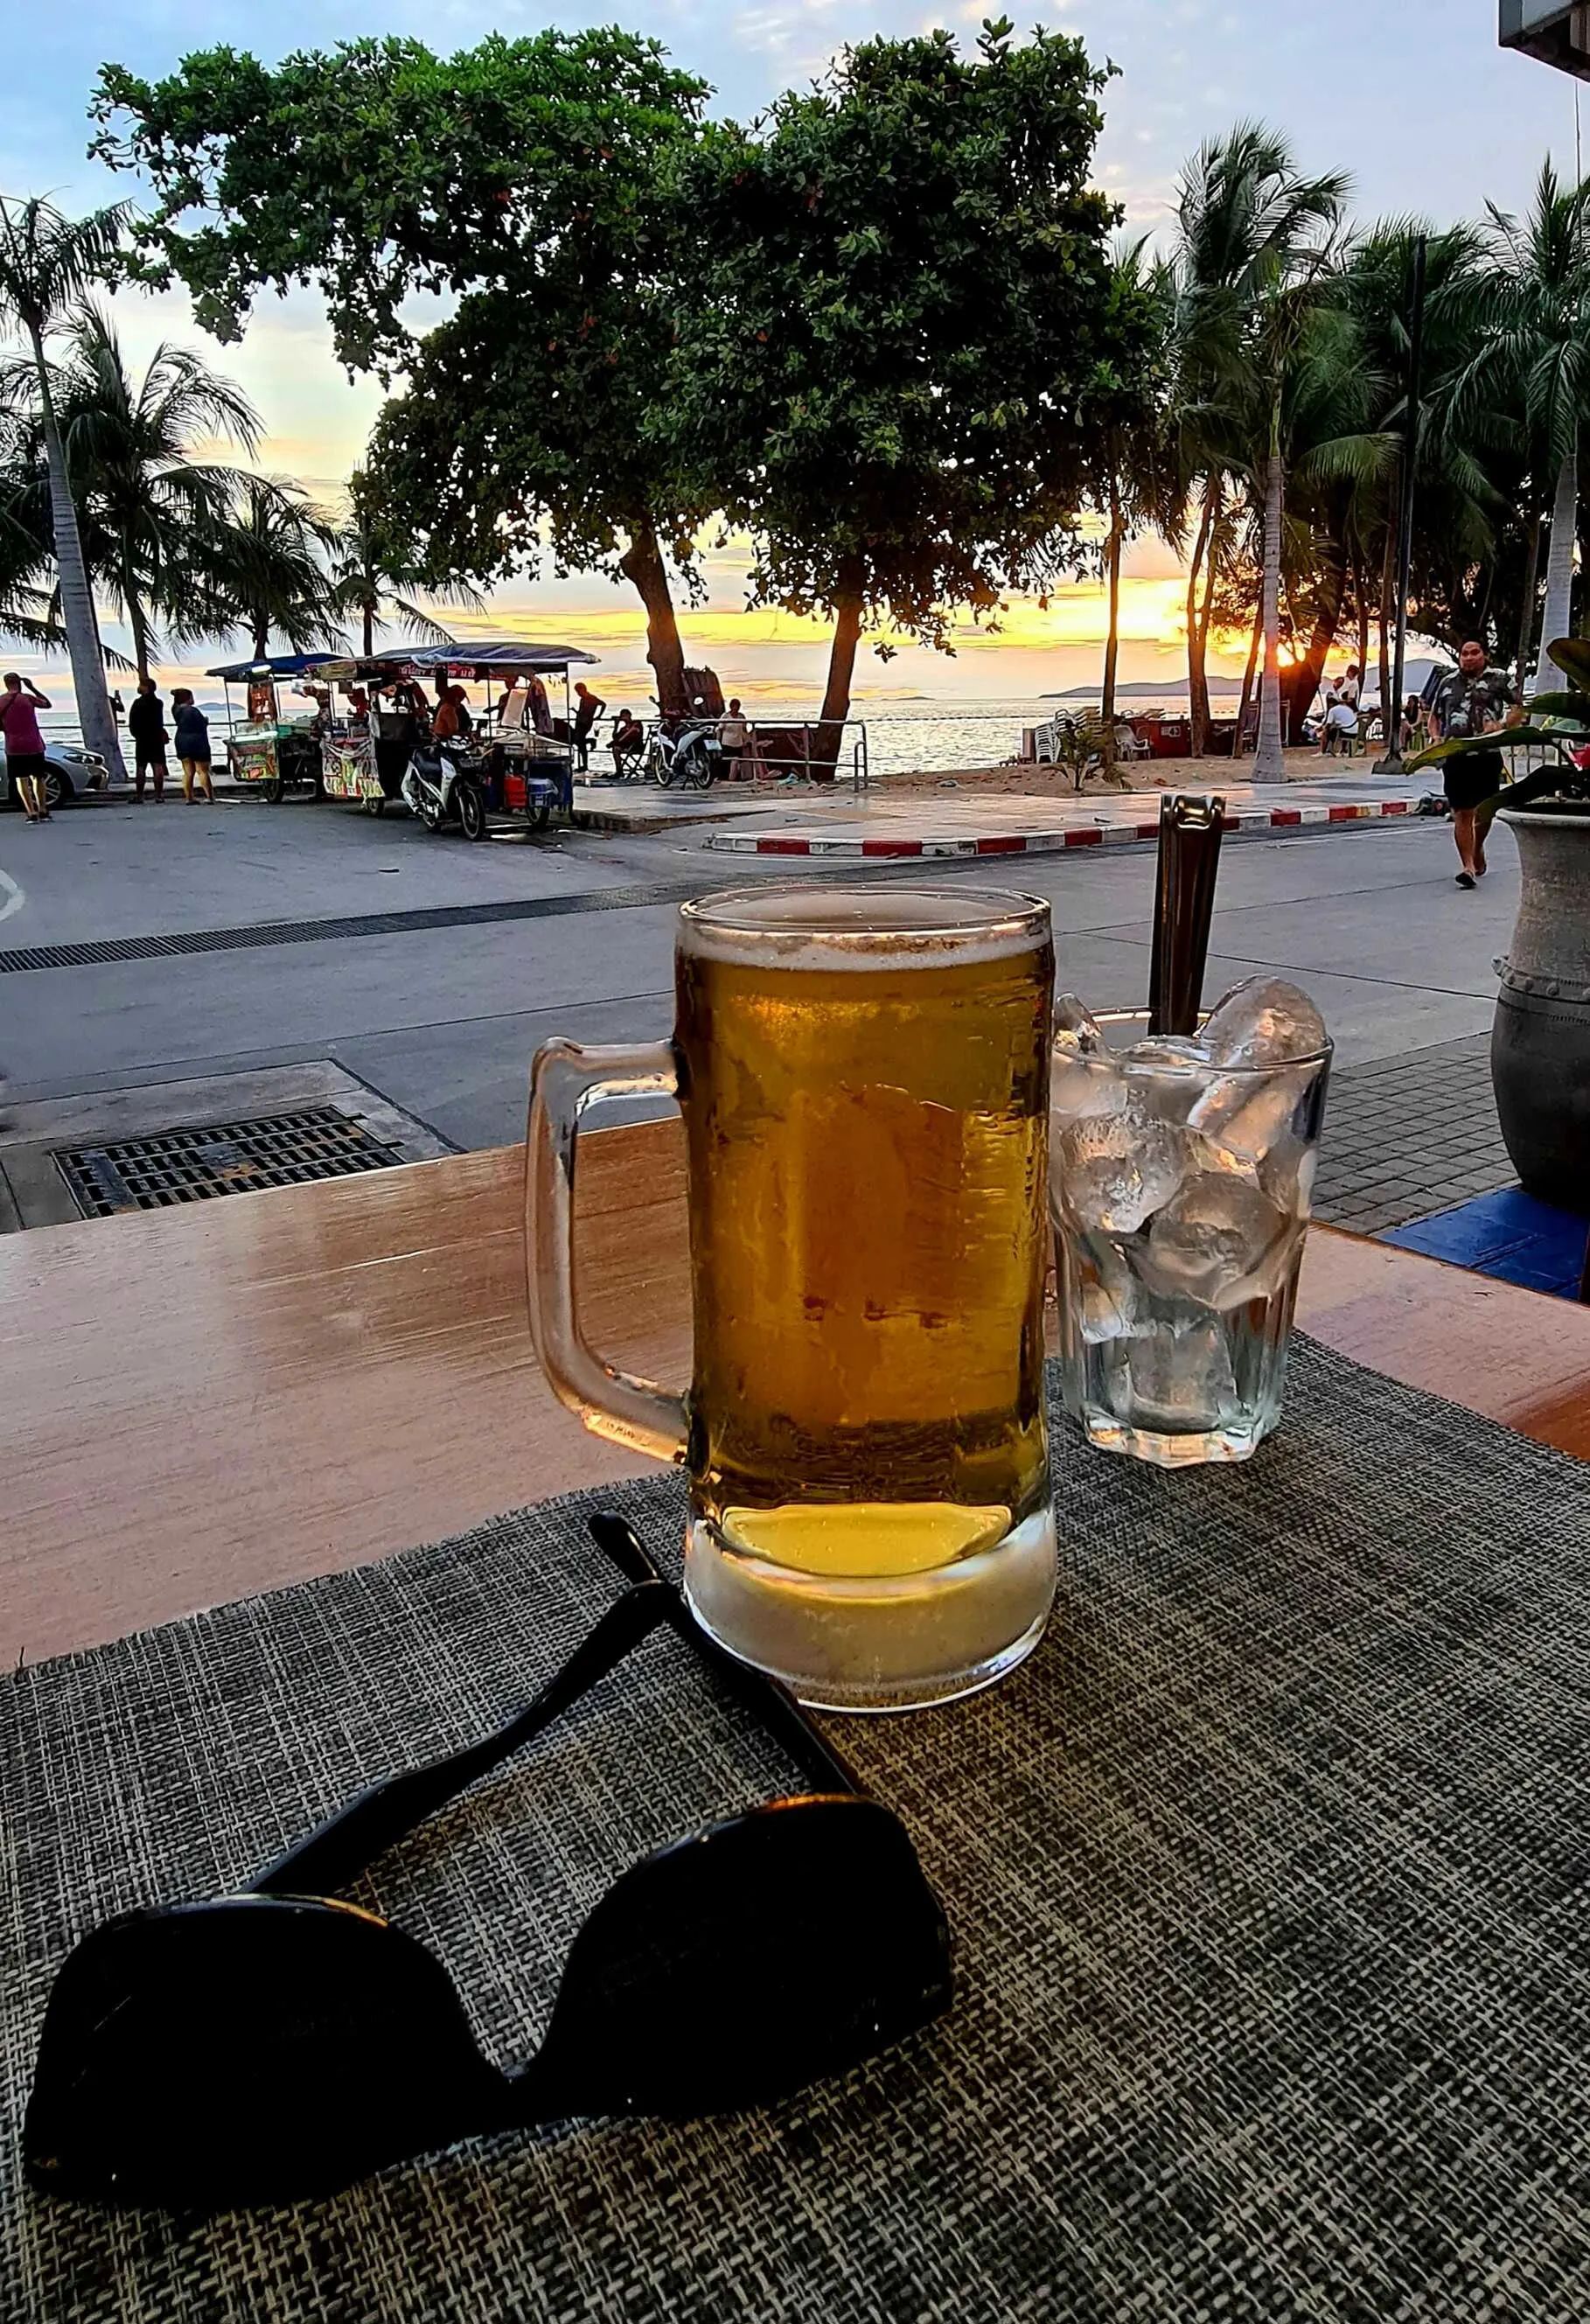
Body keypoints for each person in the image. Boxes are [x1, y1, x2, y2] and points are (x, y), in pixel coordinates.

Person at [1430, 640, 1516, 888]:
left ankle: (1477, 848)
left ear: (1484, 655)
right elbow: (1435, 717)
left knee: (1484, 810)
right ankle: (1468, 867)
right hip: (1455, 755)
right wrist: (1435, 738)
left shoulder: (1499, 679)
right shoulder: (1447, 682)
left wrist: (1503, 726)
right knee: (1461, 812)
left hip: (1487, 754)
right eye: (1464, 653)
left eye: (1474, 652)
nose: (1468, 657)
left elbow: (1519, 707)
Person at [0, 672, 51, 822]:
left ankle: (31, 812)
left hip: (14, 746)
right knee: (38, 778)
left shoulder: (1, 701)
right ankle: (42, 809)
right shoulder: (27, 699)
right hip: (34, 744)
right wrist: (33, 688)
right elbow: (47, 704)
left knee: (21, 780)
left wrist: (6, 729)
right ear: (20, 683)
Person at [128, 676, 169, 801]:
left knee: (141, 767)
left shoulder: (138, 703)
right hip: (156, 737)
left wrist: (136, 734)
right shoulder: (158, 703)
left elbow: (132, 721)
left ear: (146, 688)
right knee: (158, 766)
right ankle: (159, 795)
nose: (139, 687)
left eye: (141, 685)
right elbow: (159, 721)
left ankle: (140, 796)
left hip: (142, 738)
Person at [171, 688, 214, 803]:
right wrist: (205, 721)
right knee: (202, 770)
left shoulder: (176, 710)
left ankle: (189, 797)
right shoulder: (193, 711)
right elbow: (200, 725)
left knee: (188, 771)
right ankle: (209, 796)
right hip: (197, 742)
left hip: (181, 740)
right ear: (188, 698)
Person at [718, 696, 757, 780]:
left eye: (738, 706)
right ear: (731, 707)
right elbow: (720, 729)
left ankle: (733, 778)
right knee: (728, 761)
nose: (736, 708)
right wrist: (718, 741)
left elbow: (744, 729)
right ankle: (726, 778)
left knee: (736, 761)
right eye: (734, 706)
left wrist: (747, 739)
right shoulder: (725, 716)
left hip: (738, 742)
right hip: (727, 742)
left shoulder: (741, 716)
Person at [571, 680, 606, 772]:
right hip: (579, 721)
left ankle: (591, 741)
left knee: (579, 742)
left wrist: (599, 715)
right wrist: (576, 712)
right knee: (579, 743)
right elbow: (581, 711)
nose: (578, 694)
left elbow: (603, 704)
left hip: (586, 723)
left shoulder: (592, 698)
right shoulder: (582, 699)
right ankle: (585, 764)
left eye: (579, 692)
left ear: (583, 689)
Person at [610, 707, 645, 778]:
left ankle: (619, 771)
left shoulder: (637, 723)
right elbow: (615, 738)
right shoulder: (623, 728)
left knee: (616, 747)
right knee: (615, 749)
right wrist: (616, 725)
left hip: (635, 746)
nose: (623, 717)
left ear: (629, 715)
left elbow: (637, 735)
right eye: (622, 716)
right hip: (625, 746)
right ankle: (619, 771)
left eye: (625, 715)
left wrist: (630, 730)